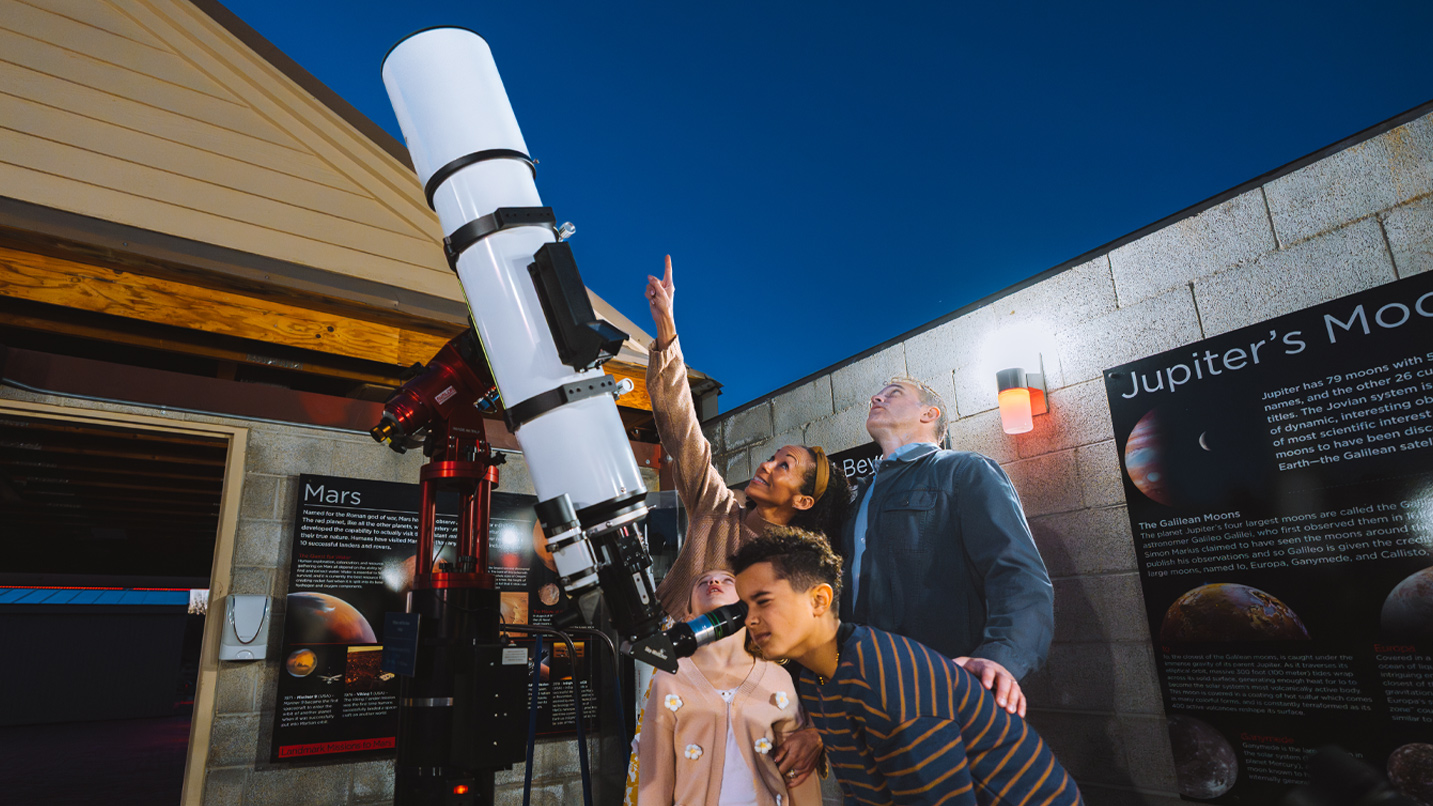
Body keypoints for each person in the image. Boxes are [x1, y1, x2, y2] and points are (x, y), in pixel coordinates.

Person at [643, 256, 853, 785]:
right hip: (676, 671)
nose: (766, 464)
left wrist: (818, 728)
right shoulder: (717, 507)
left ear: (804, 502)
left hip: (758, 707)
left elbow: (822, 654)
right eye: (772, 456)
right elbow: (682, 430)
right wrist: (668, 334)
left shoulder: (803, 571)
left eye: (784, 466)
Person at [732, 527, 1082, 806]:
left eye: (763, 602)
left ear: (819, 600)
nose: (750, 620)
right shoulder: (816, 679)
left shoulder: (884, 677)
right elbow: (864, 792)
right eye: (744, 608)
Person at [841, 377, 1054, 716]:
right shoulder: (860, 496)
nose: (876, 397)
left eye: (893, 393)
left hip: (948, 695)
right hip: (868, 699)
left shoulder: (965, 470)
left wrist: (998, 660)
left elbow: (1017, 574)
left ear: (929, 414)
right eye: (877, 393)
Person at [635, 569, 822, 806]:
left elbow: (799, 768)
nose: (714, 581)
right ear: (689, 614)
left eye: (728, 581)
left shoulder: (777, 679)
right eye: (703, 582)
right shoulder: (669, 679)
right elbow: (655, 774)